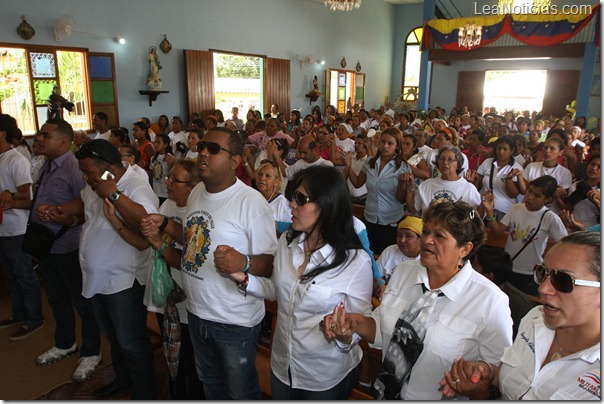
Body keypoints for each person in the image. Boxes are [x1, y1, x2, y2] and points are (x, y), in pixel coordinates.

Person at [322, 200, 512, 400]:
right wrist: (351, 322)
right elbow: (383, 329)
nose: (427, 240)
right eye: (426, 231)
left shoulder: (490, 301)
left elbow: (498, 377)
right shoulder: (404, 272)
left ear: (465, 249)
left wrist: (476, 386)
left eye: (439, 236)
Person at [141, 127, 278, 399]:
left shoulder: (250, 202)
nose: (203, 152)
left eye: (213, 149)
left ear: (234, 161)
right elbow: (195, 241)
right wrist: (167, 224)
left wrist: (244, 261)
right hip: (197, 312)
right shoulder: (197, 192)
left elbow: (272, 264)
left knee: (239, 392)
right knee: (211, 386)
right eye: (203, 145)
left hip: (233, 321)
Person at [223, 165, 373, 399]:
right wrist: (244, 278)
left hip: (324, 374)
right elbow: (277, 290)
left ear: (326, 206)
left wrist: (344, 335)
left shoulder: (355, 262)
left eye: (301, 199)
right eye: (293, 196)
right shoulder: (287, 243)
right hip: (283, 363)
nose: (291, 204)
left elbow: (360, 324)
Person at [441, 231, 600, 400]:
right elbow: (519, 381)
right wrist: (487, 373)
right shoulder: (535, 319)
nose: (543, 289)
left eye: (563, 280)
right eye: (542, 273)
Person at [68, 139, 159, 399]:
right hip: (99, 278)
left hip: (124, 280)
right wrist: (65, 213)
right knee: (115, 339)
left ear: (109, 168)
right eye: (83, 172)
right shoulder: (94, 185)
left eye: (90, 173)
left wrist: (114, 194)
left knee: (131, 342)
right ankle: (123, 379)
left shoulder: (135, 186)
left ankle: (146, 393)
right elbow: (88, 212)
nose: (85, 178)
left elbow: (146, 223)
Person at [21, 118, 102, 381]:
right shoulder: (46, 165)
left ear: (63, 141)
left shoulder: (73, 168)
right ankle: (66, 342)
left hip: (68, 246)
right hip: (47, 246)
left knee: (82, 302)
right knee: (55, 299)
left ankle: (92, 351)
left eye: (45, 135)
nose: (39, 139)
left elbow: (87, 207)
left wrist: (64, 214)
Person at [140, 159, 205, 399]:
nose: (167, 181)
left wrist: (159, 241)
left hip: (187, 298)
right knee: (172, 355)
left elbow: (187, 258)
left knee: (190, 358)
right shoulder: (166, 205)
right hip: (165, 293)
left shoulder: (196, 212)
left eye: (174, 179)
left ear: (191, 186)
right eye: (169, 177)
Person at [481, 175, 568, 297]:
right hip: (509, 268)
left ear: (547, 199)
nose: (530, 197)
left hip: (530, 275)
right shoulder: (516, 208)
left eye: (537, 195)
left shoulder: (550, 218)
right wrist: (489, 211)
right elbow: (497, 230)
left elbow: (565, 244)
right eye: (529, 191)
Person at [0, 113, 43, 341]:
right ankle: (18, 314)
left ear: (2, 133)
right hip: (2, 226)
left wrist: (7, 194)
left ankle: (34, 318)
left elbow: (26, 193)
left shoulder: (16, 159)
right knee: (11, 275)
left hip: (16, 227)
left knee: (24, 275)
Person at [344, 127, 412, 255]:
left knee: (386, 258)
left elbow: (401, 199)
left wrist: (403, 184)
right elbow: (358, 183)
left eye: (390, 143)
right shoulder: (370, 162)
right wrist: (348, 166)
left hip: (390, 221)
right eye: (382, 142)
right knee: (368, 255)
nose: (384, 146)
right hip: (369, 218)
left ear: (397, 146)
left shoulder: (402, 167)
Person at [471, 245, 538, 339]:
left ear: (489, 275)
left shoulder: (518, 306)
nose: (470, 269)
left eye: (474, 266)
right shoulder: (474, 289)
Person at [406, 145, 481, 214]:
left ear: (458, 164)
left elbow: (474, 216)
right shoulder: (426, 185)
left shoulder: (468, 189)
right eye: (442, 159)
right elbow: (412, 209)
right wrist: (410, 189)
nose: (445, 162)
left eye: (450, 159)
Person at [467, 135, 524, 219]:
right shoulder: (487, 162)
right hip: (482, 207)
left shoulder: (516, 168)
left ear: (512, 151)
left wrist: (508, 181)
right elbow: (478, 185)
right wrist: (472, 182)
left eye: (505, 149)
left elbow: (513, 194)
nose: (501, 152)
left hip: (503, 211)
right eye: (499, 148)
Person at [374, 215, 422, 300]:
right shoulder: (390, 251)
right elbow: (375, 276)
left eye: (409, 236)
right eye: (399, 235)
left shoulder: (425, 261)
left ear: (421, 239)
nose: (402, 240)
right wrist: (379, 287)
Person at [255, 160, 290, 235]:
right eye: (260, 174)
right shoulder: (253, 197)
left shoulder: (282, 204)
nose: (262, 178)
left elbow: (291, 232)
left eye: (268, 176)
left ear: (276, 181)